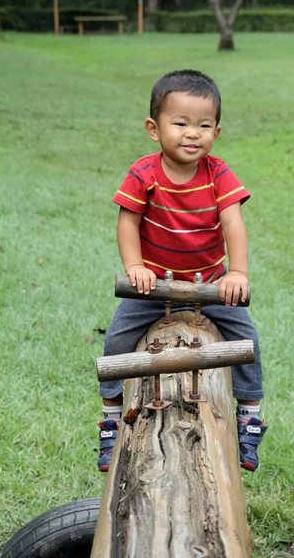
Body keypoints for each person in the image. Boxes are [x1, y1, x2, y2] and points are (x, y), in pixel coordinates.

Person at [98, 70, 267, 473]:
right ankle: (108, 418)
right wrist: (135, 267)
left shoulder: (218, 174)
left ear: (217, 131)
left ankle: (250, 415)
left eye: (204, 126)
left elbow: (233, 224)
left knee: (246, 337)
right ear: (154, 129)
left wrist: (237, 274)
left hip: (208, 283)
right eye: (181, 123)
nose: (193, 134)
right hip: (154, 286)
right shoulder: (144, 174)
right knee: (117, 340)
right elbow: (127, 224)